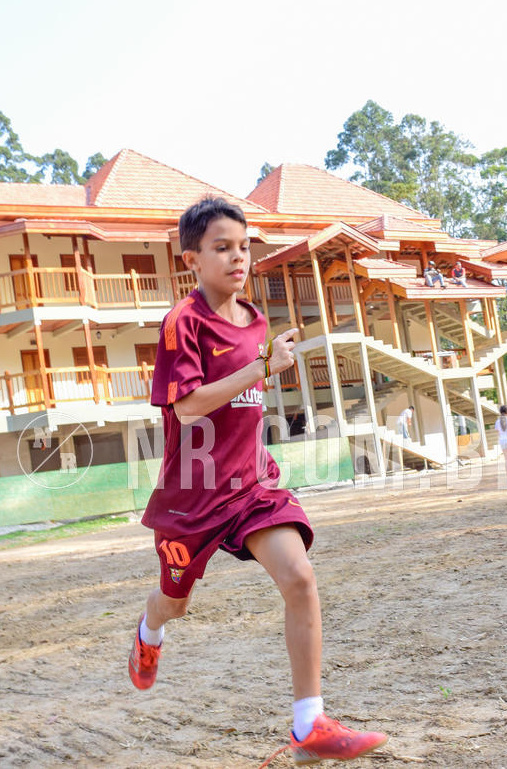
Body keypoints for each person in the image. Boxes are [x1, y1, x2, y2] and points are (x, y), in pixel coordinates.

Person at [128, 197, 388, 765]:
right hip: (191, 498)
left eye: (244, 247)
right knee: (175, 604)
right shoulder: (184, 322)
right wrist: (262, 367)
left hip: (249, 487)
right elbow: (191, 408)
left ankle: (307, 726)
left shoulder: (258, 323)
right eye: (222, 247)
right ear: (191, 257)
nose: (237, 257)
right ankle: (149, 633)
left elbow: (246, 403)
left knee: (299, 576)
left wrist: (263, 363)